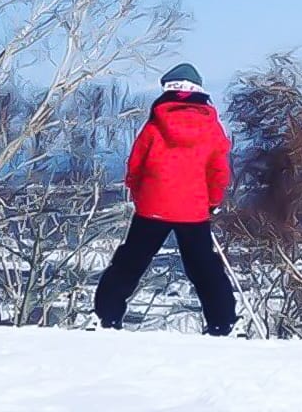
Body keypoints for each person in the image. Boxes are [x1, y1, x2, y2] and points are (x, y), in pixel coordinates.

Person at [94, 63, 237, 335]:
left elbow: (135, 166)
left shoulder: (154, 124)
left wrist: (141, 196)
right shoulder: (211, 127)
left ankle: (106, 316)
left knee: (130, 262)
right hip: (194, 209)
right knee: (205, 268)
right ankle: (222, 322)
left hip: (153, 206)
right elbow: (218, 172)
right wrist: (211, 202)